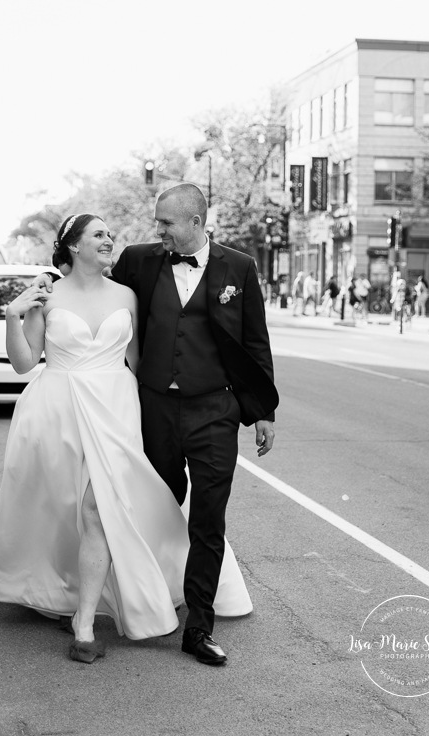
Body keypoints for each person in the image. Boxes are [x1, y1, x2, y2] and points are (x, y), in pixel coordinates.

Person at [0, 212, 252, 665]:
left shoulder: (127, 294)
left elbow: (140, 363)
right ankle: (55, 586)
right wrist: (12, 313)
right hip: (57, 411)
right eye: (99, 234)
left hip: (116, 410)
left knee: (97, 509)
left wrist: (168, 417)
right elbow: (24, 364)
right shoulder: (47, 295)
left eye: (109, 234)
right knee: (57, 508)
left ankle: (84, 623)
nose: (109, 240)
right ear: (74, 245)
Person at [111, 183, 278, 666]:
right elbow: (97, 293)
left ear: (195, 223)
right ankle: (143, 601)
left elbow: (255, 343)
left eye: (165, 222)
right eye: (157, 222)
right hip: (154, 409)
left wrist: (263, 412)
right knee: (152, 509)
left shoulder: (239, 269)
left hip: (215, 412)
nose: (157, 229)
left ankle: (198, 627)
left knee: (209, 519)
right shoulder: (138, 261)